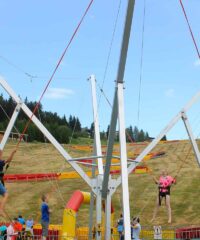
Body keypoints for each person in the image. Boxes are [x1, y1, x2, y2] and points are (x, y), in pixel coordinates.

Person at [0, 149, 16, 214]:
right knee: (6, 194)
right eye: (1, 154)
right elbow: (8, 160)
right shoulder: (0, 162)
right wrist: (12, 152)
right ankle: (0, 210)